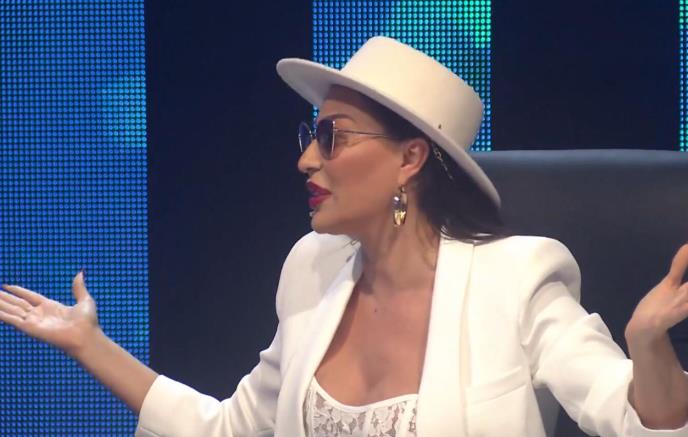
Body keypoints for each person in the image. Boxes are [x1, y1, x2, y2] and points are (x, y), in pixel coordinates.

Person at [1, 35, 687, 437]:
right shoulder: (312, 268)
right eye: (311, 135)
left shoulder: (518, 279)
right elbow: (231, 427)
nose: (307, 160)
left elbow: (637, 418)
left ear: (410, 158)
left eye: (333, 137)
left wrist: (647, 345)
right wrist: (89, 344)